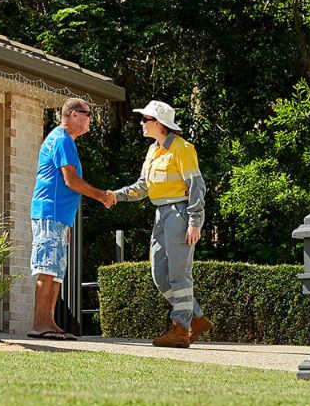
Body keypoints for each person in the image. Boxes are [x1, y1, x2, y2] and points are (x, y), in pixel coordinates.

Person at [112, 100, 210, 349]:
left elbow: (196, 187)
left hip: (180, 212)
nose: (141, 123)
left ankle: (180, 329)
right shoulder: (153, 150)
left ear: (159, 124)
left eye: (145, 119)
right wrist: (116, 195)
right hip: (161, 213)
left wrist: (195, 221)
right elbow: (143, 187)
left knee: (179, 274)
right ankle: (196, 319)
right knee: (160, 277)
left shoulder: (183, 148)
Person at [29, 97, 117, 339]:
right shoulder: (61, 140)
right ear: (74, 115)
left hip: (59, 217)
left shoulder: (67, 141)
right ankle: (39, 325)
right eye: (88, 114)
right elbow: (71, 181)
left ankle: (49, 323)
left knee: (56, 271)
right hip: (49, 213)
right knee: (46, 269)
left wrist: (67, 222)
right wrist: (102, 196)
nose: (91, 119)